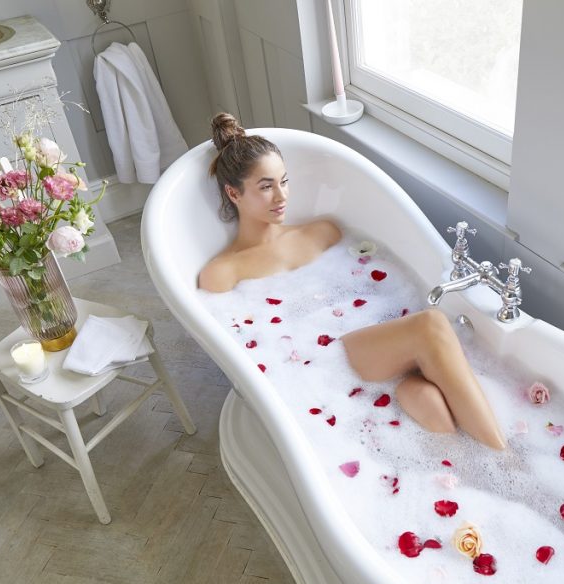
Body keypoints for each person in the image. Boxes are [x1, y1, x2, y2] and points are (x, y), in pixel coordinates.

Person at [199, 113, 506, 450]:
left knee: (421, 395)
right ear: (233, 192)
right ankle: (507, 461)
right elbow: (246, 345)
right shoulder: (222, 272)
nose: (281, 196)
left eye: (284, 181)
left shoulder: (322, 233)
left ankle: (479, 470)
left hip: (370, 340)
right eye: (266, 186)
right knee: (431, 324)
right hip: (323, 362)